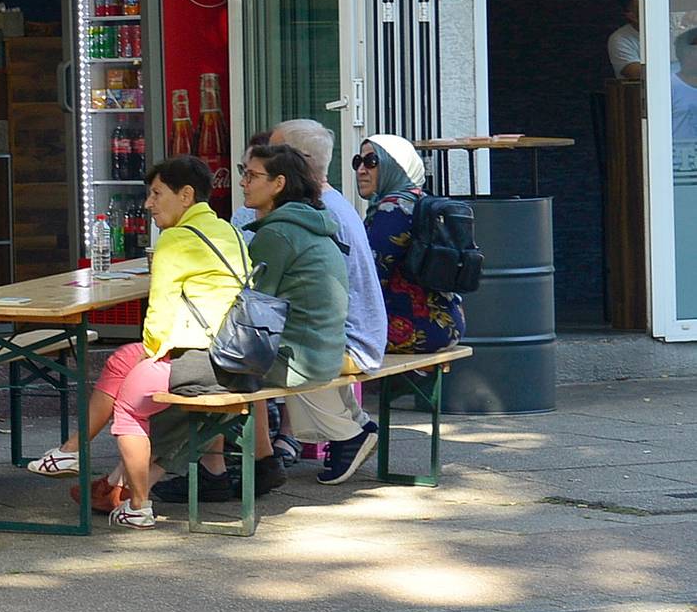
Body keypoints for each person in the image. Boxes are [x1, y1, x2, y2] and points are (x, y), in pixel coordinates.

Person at [26, 156, 246, 529]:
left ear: (186, 195)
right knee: (120, 360)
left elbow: (159, 312)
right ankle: (72, 452)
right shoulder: (228, 230)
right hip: (236, 353)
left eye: (156, 194)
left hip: (208, 360)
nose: (148, 203)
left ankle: (138, 506)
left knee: (130, 401)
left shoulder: (177, 238)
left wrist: (150, 355)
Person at [154, 144, 350, 505]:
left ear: (278, 183)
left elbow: (242, 301)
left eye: (252, 175)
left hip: (299, 358)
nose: (242, 182)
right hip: (322, 348)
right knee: (221, 358)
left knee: (197, 366)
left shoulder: (278, 235)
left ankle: (208, 472)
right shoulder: (304, 222)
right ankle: (261, 462)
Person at [267, 119, 385, 470]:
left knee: (272, 356)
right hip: (362, 332)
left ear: (297, 163)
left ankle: (347, 433)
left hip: (348, 339)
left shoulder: (316, 212)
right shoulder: (331, 203)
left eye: (273, 156)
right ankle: (356, 423)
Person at [360, 133, 466, 353]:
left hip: (415, 328)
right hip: (449, 323)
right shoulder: (419, 200)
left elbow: (370, 276)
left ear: (394, 165)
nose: (361, 170)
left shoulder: (393, 209)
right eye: (357, 162)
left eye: (371, 162)